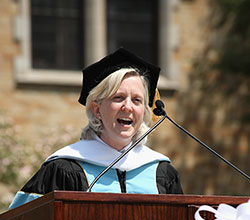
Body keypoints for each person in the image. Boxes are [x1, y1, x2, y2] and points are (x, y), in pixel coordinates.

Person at [9, 47, 183, 209]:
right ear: (96, 109)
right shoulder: (64, 168)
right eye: (118, 97)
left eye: (137, 100)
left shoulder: (161, 172)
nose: (128, 107)